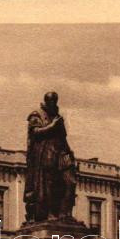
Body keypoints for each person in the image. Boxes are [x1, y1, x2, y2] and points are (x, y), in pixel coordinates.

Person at [24, 91, 77, 222]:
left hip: (60, 152)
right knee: (50, 183)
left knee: (70, 182)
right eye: (51, 101)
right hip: (44, 154)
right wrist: (52, 126)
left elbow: (63, 137)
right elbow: (35, 133)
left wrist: (70, 153)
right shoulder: (36, 115)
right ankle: (50, 213)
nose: (53, 103)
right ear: (46, 101)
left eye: (55, 101)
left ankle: (65, 214)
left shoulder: (58, 117)